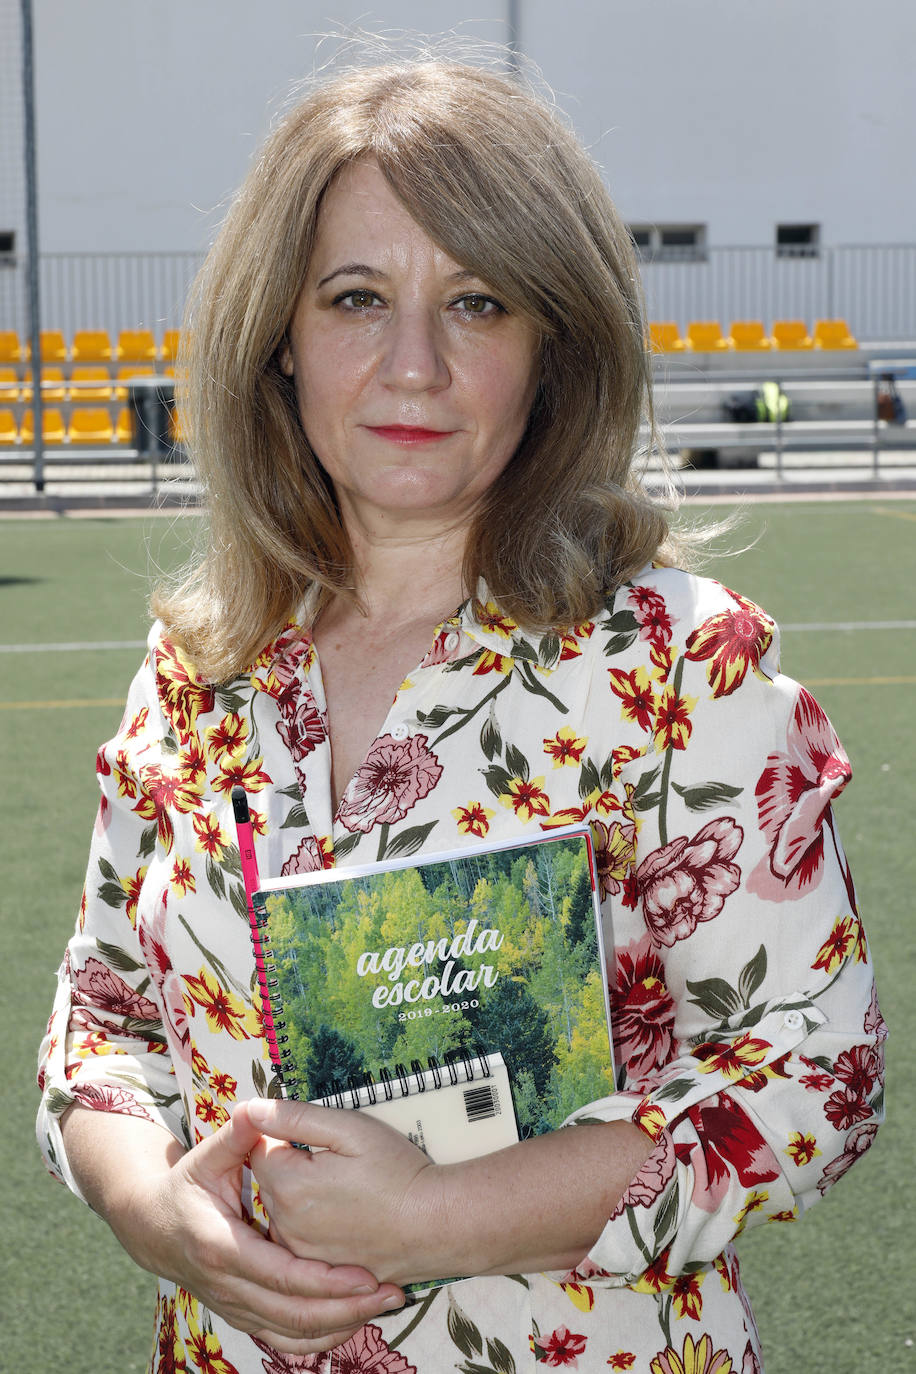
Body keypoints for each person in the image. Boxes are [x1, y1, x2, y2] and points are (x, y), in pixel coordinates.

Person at [37, 56, 885, 1374]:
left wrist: (439, 1215)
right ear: (281, 334)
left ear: (554, 343)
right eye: (357, 298)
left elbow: (813, 1073)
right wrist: (156, 1211)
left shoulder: (669, 662)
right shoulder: (198, 668)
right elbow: (104, 1026)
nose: (414, 364)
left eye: (476, 301)